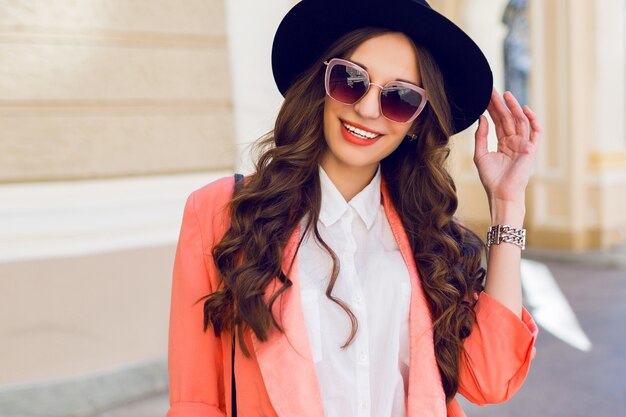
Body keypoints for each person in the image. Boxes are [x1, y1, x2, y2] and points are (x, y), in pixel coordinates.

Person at [166, 0, 541, 416]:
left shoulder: (431, 239)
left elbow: (491, 378)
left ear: (417, 121)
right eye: (350, 80)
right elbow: (195, 402)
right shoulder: (222, 214)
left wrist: (507, 205)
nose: (367, 109)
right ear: (321, 84)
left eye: (399, 97)